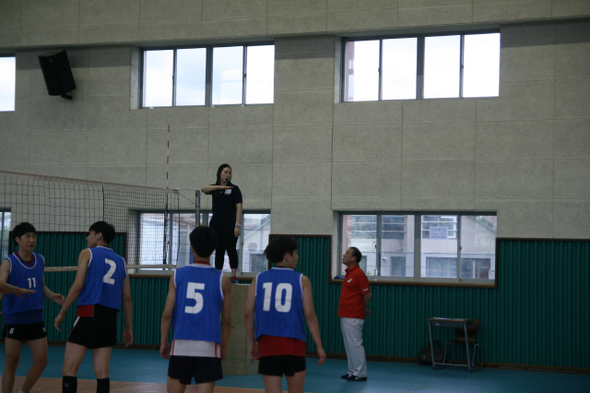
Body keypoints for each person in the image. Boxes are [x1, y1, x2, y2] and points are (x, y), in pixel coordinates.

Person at [54, 221, 133, 393]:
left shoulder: (87, 253)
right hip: (110, 317)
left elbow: (77, 286)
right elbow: (127, 298)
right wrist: (128, 327)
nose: (87, 237)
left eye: (90, 233)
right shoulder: (121, 261)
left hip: (88, 312)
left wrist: (62, 312)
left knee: (69, 370)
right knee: (102, 373)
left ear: (99, 235)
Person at [245, 236, 326, 393]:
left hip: (267, 344)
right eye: (295, 253)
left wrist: (252, 343)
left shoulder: (259, 279)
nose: (297, 257)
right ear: (287, 256)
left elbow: (248, 313)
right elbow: (310, 315)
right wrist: (319, 346)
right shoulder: (302, 280)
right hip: (294, 344)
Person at [160, 226, 231, 393]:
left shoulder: (178, 275)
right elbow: (226, 321)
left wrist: (163, 341)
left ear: (192, 248)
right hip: (208, 346)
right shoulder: (222, 279)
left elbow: (167, 314)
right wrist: (224, 347)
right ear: (214, 249)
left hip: (181, 345)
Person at [0, 222, 65, 393]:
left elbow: (40, 286)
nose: (32, 240)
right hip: (15, 318)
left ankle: (23, 391)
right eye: (28, 236)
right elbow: (0, 285)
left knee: (42, 361)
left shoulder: (40, 259)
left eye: (34, 236)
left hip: (35, 318)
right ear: (17, 239)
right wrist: (16, 290)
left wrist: (52, 295)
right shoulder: (9, 262)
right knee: (11, 361)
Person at [201, 163, 243, 283]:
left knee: (231, 250)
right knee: (219, 250)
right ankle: (218, 276)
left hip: (230, 224)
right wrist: (220, 187)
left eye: (229, 173)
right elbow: (203, 189)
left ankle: (234, 276)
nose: (228, 175)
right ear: (220, 173)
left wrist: (237, 225)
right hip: (216, 224)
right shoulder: (215, 189)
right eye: (225, 172)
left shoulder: (234, 189)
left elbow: (239, 208)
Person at [338, 247, 372, 382]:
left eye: (347, 253)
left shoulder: (359, 273)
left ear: (353, 259)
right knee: (349, 344)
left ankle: (360, 373)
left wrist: (363, 308)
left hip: (354, 314)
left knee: (355, 344)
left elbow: (367, 294)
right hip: (346, 313)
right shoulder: (349, 274)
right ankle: (352, 371)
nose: (344, 255)